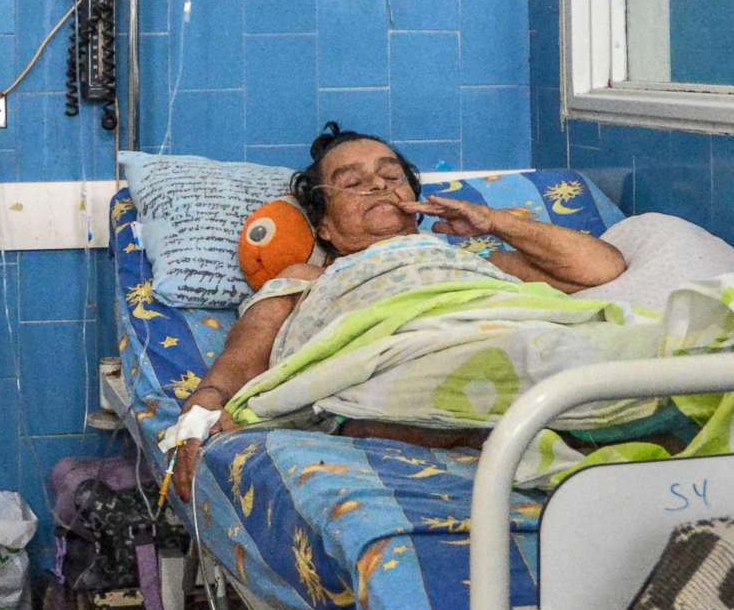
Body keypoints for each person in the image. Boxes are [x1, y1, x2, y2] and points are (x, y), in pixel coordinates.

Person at [163, 123, 628, 500]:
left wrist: (493, 222)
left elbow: (602, 267)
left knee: (651, 342)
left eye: (391, 176)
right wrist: (201, 411)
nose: (377, 185)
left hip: (509, 334)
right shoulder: (310, 277)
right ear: (323, 224)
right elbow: (248, 353)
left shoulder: (469, 260)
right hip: (403, 355)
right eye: (352, 183)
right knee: (526, 361)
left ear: (415, 202)